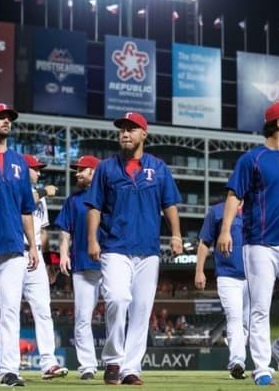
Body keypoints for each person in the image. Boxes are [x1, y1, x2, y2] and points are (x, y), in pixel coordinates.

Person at [217, 101, 279, 386]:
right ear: (278, 124)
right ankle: (261, 367)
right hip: (259, 243)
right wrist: (225, 231)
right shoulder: (252, 159)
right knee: (260, 307)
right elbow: (235, 195)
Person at [85, 112, 183, 385]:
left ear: (144, 134)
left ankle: (131, 368)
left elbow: (169, 205)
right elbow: (94, 206)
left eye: (131, 129)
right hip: (115, 245)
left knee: (141, 309)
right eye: (122, 130)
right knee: (117, 298)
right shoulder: (106, 167)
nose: (125, 133)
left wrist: (176, 235)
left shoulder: (159, 168)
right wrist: (92, 239)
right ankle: (114, 360)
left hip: (148, 249)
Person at [0, 103, 39, 387]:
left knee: (11, 310)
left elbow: (27, 208)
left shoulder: (19, 162)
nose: (6, 121)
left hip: (14, 245)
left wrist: (33, 245)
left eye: (9, 118)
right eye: (0, 117)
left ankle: (9, 371)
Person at [54, 155, 103, 380]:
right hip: (82, 264)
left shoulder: (109, 195)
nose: (77, 173)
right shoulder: (73, 200)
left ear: (94, 172)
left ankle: (118, 363)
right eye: (77, 170)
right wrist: (63, 254)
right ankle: (87, 367)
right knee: (83, 317)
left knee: (117, 313)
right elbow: (64, 231)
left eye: (82, 169)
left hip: (109, 263)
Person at [21, 154, 69, 380]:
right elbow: (21, 201)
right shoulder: (14, 186)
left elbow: (43, 232)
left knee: (43, 310)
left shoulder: (41, 198)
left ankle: (49, 363)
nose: (39, 173)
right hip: (13, 254)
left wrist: (50, 262)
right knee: (8, 312)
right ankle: (7, 367)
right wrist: (42, 192)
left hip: (37, 256)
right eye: (35, 169)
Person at [194, 201, 249, 380]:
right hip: (227, 275)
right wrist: (199, 271)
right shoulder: (217, 211)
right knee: (234, 318)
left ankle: (260, 365)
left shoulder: (257, 208)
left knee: (251, 323)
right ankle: (237, 363)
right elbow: (204, 243)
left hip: (254, 276)